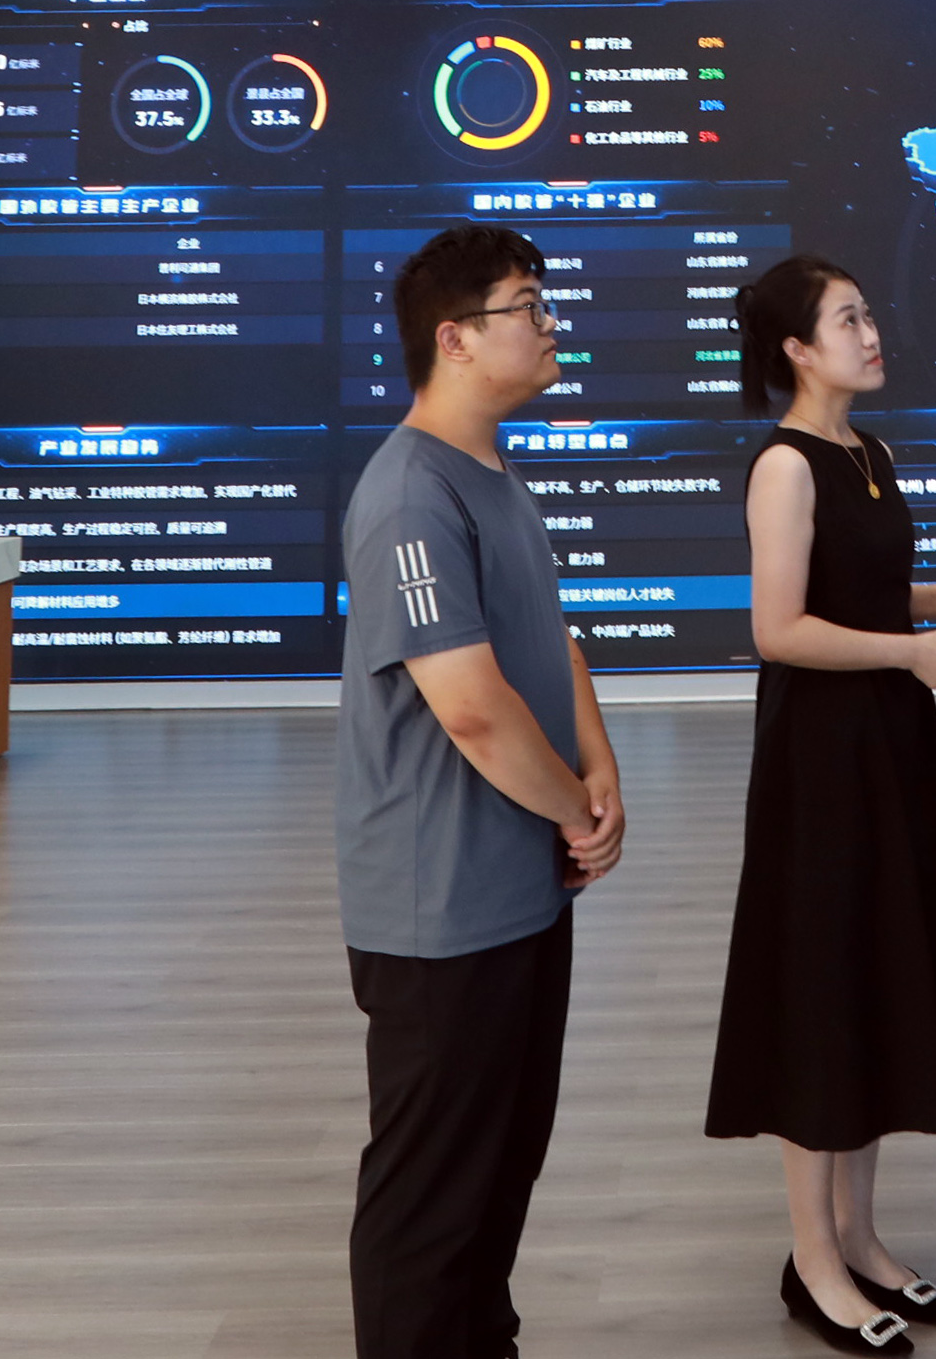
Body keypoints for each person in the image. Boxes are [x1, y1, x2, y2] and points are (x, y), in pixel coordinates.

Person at [335, 224, 628, 1359]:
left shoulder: (494, 473)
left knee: (499, 1169)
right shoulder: (411, 495)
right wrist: (573, 810)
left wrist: (598, 770)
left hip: (520, 893)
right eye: (528, 307)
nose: (550, 325)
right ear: (454, 339)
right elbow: (467, 703)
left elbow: (549, 638)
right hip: (440, 913)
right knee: (430, 1199)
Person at [705, 257, 936, 1352]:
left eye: (869, 314)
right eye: (848, 320)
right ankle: (813, 1262)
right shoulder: (785, 465)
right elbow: (779, 629)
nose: (872, 333)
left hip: (888, 747)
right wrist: (911, 652)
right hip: (822, 760)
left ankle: (861, 1239)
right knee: (824, 997)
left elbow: (859, 587)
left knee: (876, 982)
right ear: (796, 349)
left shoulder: (866, 452)